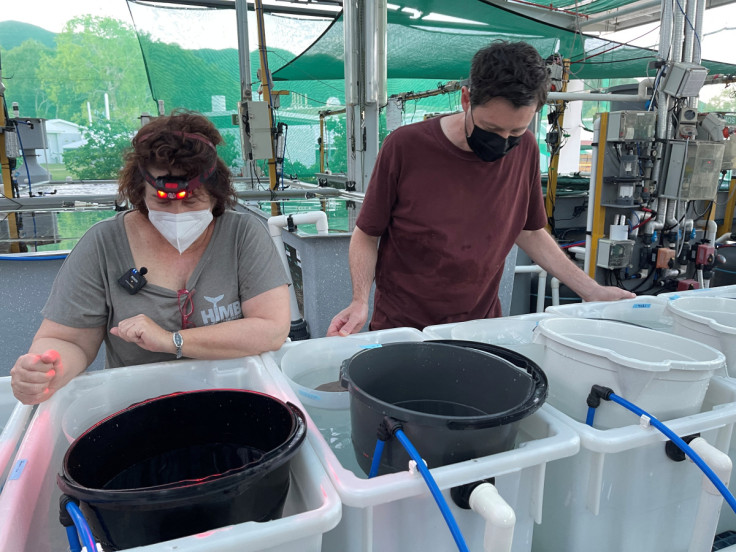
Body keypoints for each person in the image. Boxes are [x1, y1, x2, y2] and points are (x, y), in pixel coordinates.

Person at [327, 41, 634, 336]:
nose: (503, 142)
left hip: (480, 326)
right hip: (403, 326)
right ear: (466, 99)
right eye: (492, 129)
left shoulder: (525, 149)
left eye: (516, 129)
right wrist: (359, 300)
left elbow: (529, 231)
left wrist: (592, 291)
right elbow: (367, 234)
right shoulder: (405, 146)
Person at [11, 110, 291, 404]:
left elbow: (270, 329)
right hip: (138, 404)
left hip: (236, 397)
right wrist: (46, 370)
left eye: (192, 200)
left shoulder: (243, 235)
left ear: (216, 192)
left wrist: (172, 341)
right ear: (139, 191)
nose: (177, 214)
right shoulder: (103, 243)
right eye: (161, 201)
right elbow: (68, 340)